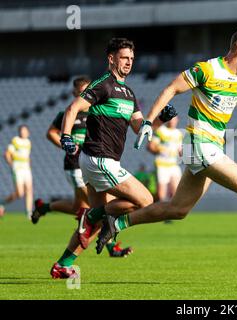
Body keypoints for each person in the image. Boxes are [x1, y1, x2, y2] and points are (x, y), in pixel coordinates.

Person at [95, 26, 237, 254]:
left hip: (212, 147)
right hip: (199, 144)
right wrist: (148, 121)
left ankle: (115, 224)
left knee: (178, 210)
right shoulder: (207, 70)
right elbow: (171, 88)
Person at [50, 38, 177, 279]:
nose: (129, 62)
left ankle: (62, 265)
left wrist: (159, 120)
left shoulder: (128, 92)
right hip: (99, 159)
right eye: (124, 58)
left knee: (95, 225)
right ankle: (93, 215)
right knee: (145, 200)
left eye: (131, 58)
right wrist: (66, 136)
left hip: (100, 162)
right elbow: (72, 109)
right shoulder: (103, 84)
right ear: (111, 59)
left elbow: (139, 126)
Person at [31, 76, 133, 259]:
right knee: (98, 209)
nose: (86, 96)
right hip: (74, 165)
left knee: (78, 207)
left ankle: (43, 207)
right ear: (75, 94)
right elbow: (51, 133)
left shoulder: (96, 111)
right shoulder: (68, 114)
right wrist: (66, 144)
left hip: (90, 162)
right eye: (81, 93)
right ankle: (111, 248)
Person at [0, 125, 33, 219]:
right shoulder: (15, 141)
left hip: (26, 168)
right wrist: (12, 165)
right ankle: (2, 203)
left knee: (29, 189)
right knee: (20, 193)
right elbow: (7, 154)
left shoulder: (28, 142)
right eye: (22, 130)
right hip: (18, 169)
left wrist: (29, 165)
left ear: (28, 132)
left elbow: (27, 156)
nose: (23, 132)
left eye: (25, 130)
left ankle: (29, 212)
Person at [147, 115, 183, 203]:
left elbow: (180, 150)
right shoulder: (160, 131)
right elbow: (150, 146)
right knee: (161, 195)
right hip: (162, 165)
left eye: (174, 119)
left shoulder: (179, 134)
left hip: (174, 165)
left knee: (176, 193)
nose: (172, 121)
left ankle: (172, 213)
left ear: (177, 120)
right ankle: (158, 212)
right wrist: (160, 149)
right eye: (170, 119)